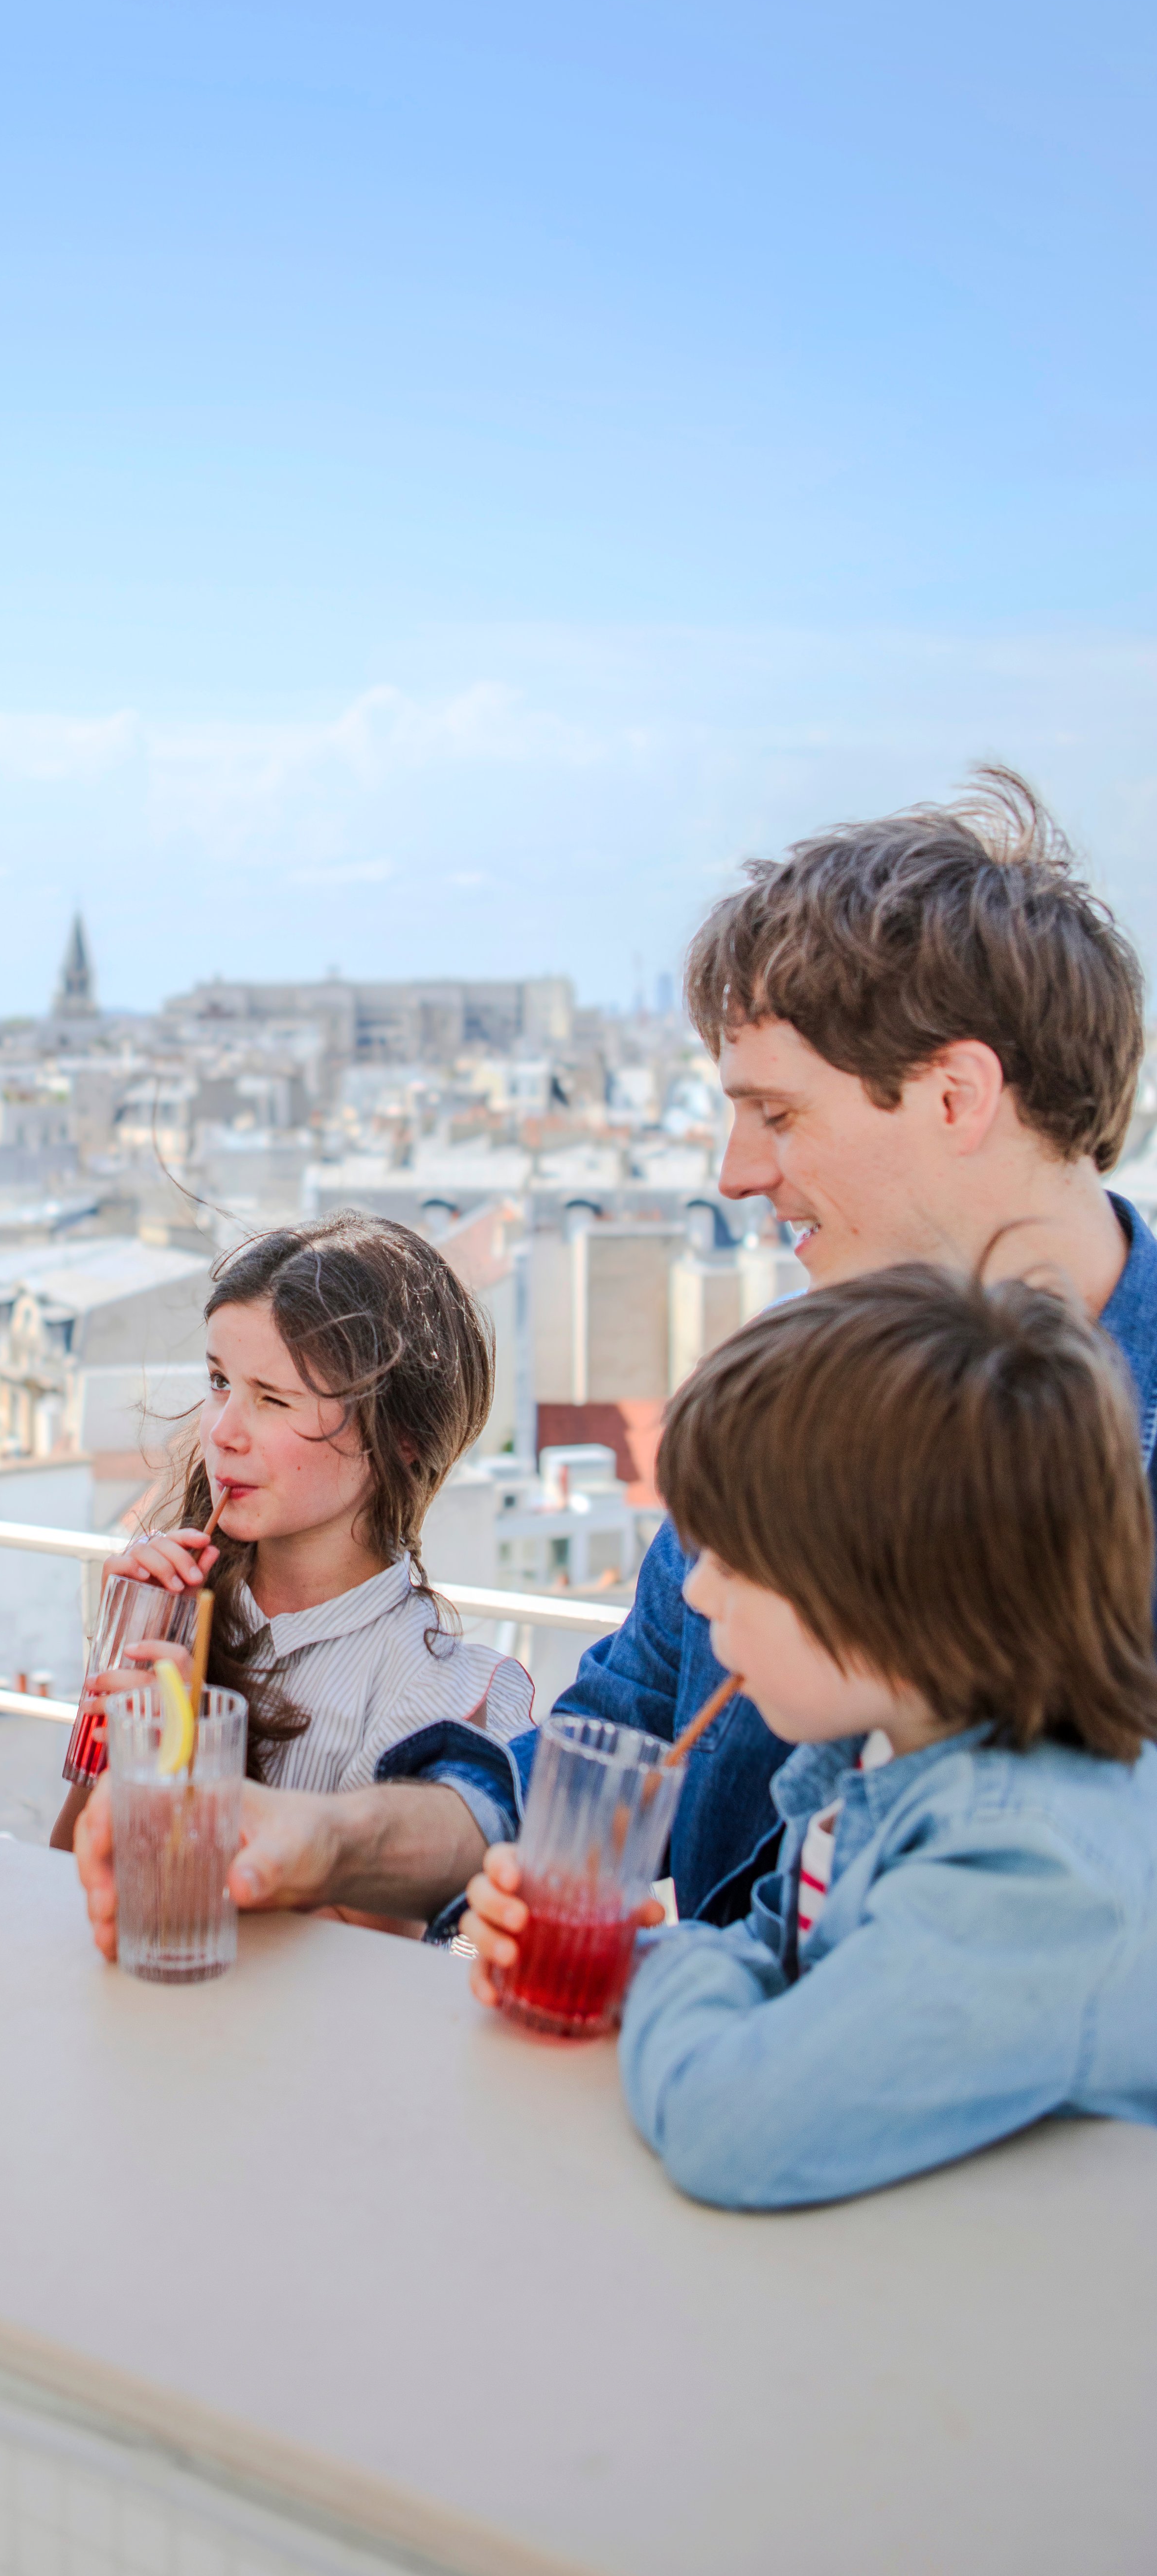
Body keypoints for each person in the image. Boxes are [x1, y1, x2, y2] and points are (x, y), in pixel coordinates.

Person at [72, 769, 1157, 1944]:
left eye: (779, 1116)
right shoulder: (788, 1410)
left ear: (957, 1095)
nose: (736, 1173)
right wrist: (323, 1840)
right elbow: (607, 1752)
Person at [471, 1264, 1157, 2206]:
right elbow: (781, 1964)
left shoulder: (1029, 1871)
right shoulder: (874, 1763)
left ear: (904, 1611)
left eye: (738, 1563)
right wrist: (632, 1963)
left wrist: (672, 1970)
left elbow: (730, 2128)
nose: (699, 1593)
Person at [64, 1215, 531, 1909]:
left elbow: (361, 1966)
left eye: (273, 1399)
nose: (222, 1434)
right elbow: (67, 1866)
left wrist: (189, 1760)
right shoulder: (168, 1607)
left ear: (400, 1436)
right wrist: (118, 1728)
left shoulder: (456, 1695)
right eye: (220, 1381)